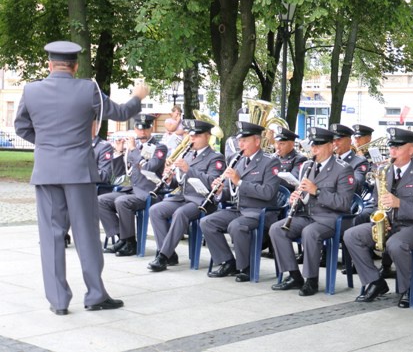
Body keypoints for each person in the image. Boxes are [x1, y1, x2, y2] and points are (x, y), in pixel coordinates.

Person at [13, 40, 148, 315]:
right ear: (74, 66)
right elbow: (121, 113)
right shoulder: (89, 89)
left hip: (47, 171)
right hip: (79, 172)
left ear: (49, 65)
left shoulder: (31, 90)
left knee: (51, 236)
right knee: (86, 234)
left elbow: (21, 127)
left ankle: (58, 302)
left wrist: (48, 145)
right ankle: (95, 295)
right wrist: (138, 96)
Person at [344, 128, 413, 308]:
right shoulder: (384, 171)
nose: (392, 151)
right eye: (391, 147)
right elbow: (378, 203)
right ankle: (375, 281)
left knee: (395, 244)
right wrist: (378, 220)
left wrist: (399, 203)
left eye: (398, 147)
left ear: (411, 150)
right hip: (389, 224)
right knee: (351, 235)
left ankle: (406, 289)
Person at [270, 127, 355, 296]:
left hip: (330, 219)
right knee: (277, 229)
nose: (314, 149)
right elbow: (303, 195)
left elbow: (344, 203)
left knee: (310, 233)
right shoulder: (307, 166)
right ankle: (294, 275)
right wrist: (295, 198)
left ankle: (312, 280)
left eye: (319, 145)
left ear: (331, 146)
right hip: (307, 215)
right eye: (313, 146)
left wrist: (317, 191)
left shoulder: (343, 169)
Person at [199, 121, 281, 282]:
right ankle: (228, 261)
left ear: (257, 141)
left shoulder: (270, 161)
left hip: (260, 212)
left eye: (244, 140)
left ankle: (246, 267)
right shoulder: (239, 161)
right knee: (207, 222)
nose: (240, 144)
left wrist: (240, 182)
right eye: (239, 140)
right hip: (239, 209)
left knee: (236, 226)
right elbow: (232, 193)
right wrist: (221, 191)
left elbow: (268, 192)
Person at [147, 120, 226, 272]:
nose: (192, 139)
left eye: (196, 136)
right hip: (183, 198)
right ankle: (169, 254)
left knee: (180, 214)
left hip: (202, 200)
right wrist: (170, 180)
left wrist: (189, 169)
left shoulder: (216, 157)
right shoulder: (188, 154)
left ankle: (163, 256)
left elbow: (213, 183)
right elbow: (180, 182)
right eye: (191, 136)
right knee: (155, 210)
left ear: (208, 137)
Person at [99, 114, 167, 256]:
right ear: (135, 129)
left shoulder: (159, 148)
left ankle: (130, 242)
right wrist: (118, 152)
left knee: (122, 201)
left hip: (148, 192)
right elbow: (119, 173)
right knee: (101, 201)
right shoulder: (132, 147)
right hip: (131, 190)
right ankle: (122, 238)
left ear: (151, 128)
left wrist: (134, 150)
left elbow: (149, 167)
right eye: (139, 128)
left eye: (146, 128)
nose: (142, 132)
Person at [330, 123, 369, 195]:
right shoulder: (330, 160)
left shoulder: (360, 162)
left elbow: (356, 184)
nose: (335, 143)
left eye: (338, 139)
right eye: (333, 140)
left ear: (349, 141)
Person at [274, 127, 307, 191]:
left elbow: (292, 182)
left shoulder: (299, 159)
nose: (277, 147)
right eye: (276, 143)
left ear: (292, 144)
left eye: (281, 144)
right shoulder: (274, 157)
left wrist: (270, 178)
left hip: (287, 195)